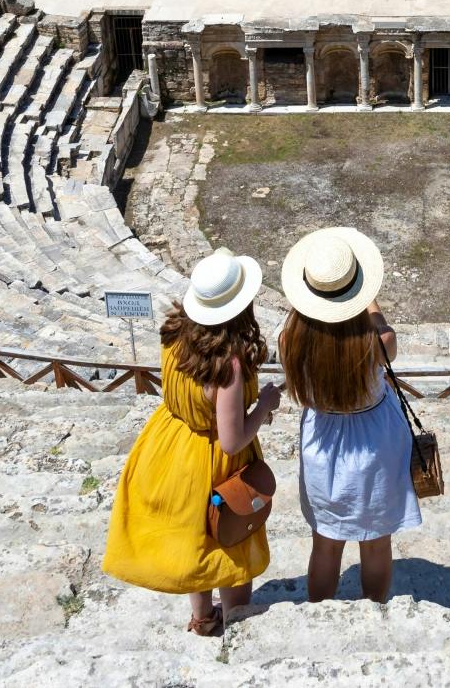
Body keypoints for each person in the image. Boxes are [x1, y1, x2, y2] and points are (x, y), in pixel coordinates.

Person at [102, 250, 280, 636]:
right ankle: (235, 626)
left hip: (171, 444)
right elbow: (232, 440)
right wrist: (265, 403)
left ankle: (202, 618)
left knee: (194, 539)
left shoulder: (174, 334)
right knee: (228, 544)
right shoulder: (228, 366)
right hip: (214, 460)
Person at [278, 227, 421, 604]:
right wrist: (368, 300)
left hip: (323, 442)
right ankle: (375, 610)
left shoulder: (288, 341)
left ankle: (318, 611)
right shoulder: (379, 342)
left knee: (325, 545)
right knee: (376, 544)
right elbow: (383, 329)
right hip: (375, 443)